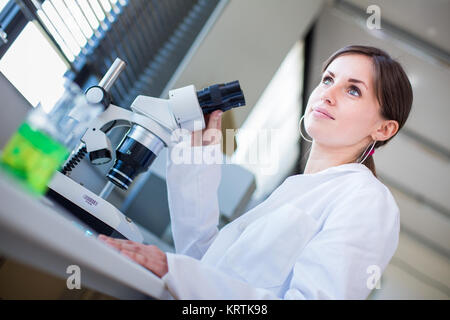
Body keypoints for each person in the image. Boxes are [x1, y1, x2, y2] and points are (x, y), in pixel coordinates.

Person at [98, 45, 413, 299]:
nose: (327, 94)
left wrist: (179, 272)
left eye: (353, 90)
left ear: (383, 128)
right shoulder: (298, 189)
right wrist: (196, 158)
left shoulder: (368, 200)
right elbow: (207, 265)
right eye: (328, 79)